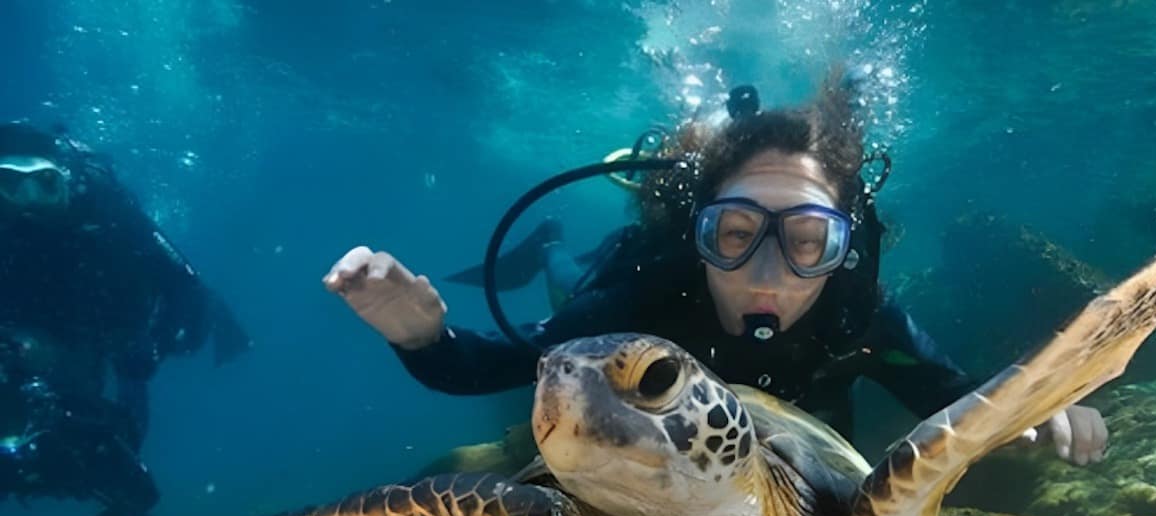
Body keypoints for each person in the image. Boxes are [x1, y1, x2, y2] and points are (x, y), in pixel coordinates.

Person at [322, 74, 1107, 465]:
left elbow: (962, 395)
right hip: (605, 308)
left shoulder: (855, 312)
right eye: (733, 233)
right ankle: (556, 240)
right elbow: (481, 368)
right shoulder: (649, 293)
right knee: (570, 291)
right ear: (696, 237)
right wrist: (423, 337)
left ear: (844, 251)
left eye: (806, 241)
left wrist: (1038, 399)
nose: (766, 270)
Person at [0, 121, 251, 447]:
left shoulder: (111, 213)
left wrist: (156, 348)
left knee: (129, 387)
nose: (29, 199)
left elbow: (183, 283)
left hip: (121, 322)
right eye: (10, 183)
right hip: (54, 327)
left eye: (43, 183)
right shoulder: (10, 230)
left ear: (65, 177)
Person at [1, 329, 163, 516]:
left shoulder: (72, 425)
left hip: (117, 429)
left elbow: (145, 494)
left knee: (133, 379)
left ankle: (129, 345)